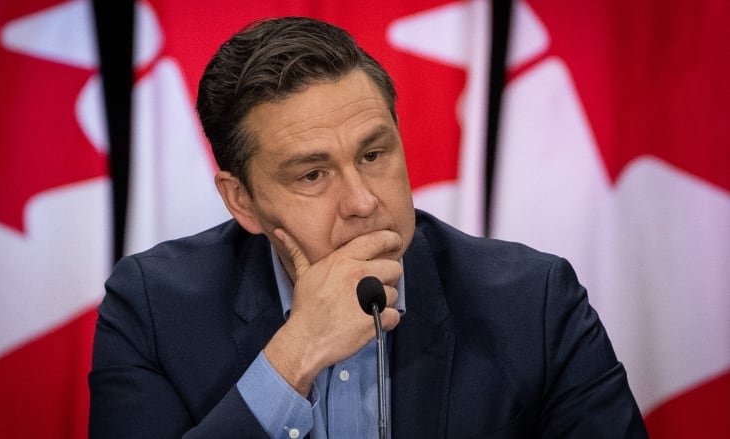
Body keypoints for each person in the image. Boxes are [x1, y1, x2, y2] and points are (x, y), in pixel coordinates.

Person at [88, 16, 648, 438]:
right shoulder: (152, 307)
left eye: (374, 154)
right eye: (312, 174)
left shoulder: (533, 301)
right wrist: (295, 355)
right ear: (243, 202)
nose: (361, 201)